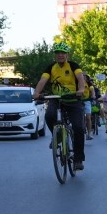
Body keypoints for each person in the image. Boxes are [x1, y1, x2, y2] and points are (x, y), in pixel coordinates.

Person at [32, 42, 86, 171]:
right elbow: (42, 81)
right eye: (58, 53)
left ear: (67, 54)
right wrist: (36, 93)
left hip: (73, 99)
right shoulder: (50, 67)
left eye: (63, 53)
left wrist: (81, 89)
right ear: (55, 55)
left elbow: (80, 78)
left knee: (78, 127)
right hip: (56, 99)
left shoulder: (73, 66)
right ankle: (57, 136)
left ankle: (78, 159)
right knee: (49, 116)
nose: (60, 55)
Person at [83, 74, 97, 140]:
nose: (83, 78)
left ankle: (89, 133)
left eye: (84, 77)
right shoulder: (77, 84)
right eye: (82, 76)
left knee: (88, 117)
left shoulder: (89, 85)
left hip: (87, 101)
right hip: (78, 101)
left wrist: (93, 95)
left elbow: (92, 91)